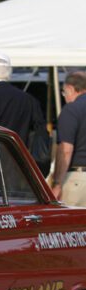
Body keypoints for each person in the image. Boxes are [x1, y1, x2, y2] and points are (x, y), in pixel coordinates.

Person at [51, 71, 86, 205]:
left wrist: (57, 184)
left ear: (70, 88)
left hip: (77, 178)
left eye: (64, 92)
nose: (64, 96)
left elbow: (66, 149)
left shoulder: (71, 110)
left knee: (69, 224)